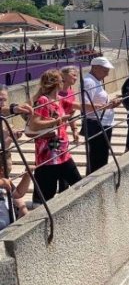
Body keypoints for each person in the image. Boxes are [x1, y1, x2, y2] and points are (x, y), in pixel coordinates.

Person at [27, 69, 81, 201]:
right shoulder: (43, 101)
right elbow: (34, 124)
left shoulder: (60, 100)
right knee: (45, 198)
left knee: (79, 184)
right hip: (47, 157)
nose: (64, 82)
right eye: (62, 80)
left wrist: (104, 106)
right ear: (57, 83)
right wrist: (57, 121)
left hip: (62, 153)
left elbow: (79, 105)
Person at [82, 57, 122, 174]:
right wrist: (109, 105)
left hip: (102, 122)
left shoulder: (95, 80)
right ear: (95, 68)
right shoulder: (89, 81)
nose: (107, 74)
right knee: (97, 158)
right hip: (96, 123)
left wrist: (110, 103)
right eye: (105, 71)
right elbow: (85, 105)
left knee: (101, 157)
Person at [59, 66, 80, 144]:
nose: (76, 78)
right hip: (52, 131)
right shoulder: (54, 92)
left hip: (62, 130)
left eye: (76, 76)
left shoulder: (71, 93)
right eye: (74, 75)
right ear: (63, 75)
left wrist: (74, 129)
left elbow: (70, 113)